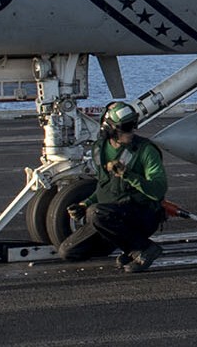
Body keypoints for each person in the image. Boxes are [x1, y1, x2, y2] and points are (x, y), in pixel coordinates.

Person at [61, 101, 167, 272]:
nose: (131, 131)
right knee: (69, 251)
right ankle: (129, 248)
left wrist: (128, 175)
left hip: (141, 214)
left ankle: (144, 248)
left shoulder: (145, 150)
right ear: (109, 129)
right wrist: (84, 204)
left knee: (96, 213)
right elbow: (104, 187)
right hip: (110, 216)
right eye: (125, 127)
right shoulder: (99, 150)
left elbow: (158, 191)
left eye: (132, 125)